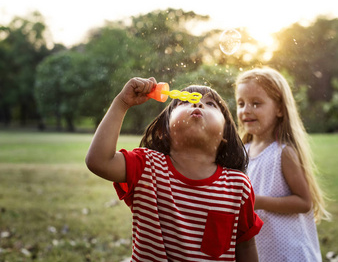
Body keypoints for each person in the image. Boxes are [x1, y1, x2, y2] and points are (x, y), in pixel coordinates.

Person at [86, 77, 263, 262]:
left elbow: (246, 245)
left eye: (210, 103)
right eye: (184, 101)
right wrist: (122, 103)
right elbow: (99, 161)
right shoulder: (147, 167)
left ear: (225, 133)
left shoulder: (237, 186)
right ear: (164, 130)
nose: (197, 103)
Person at [235, 67, 331, 262]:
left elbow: (304, 203)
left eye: (256, 103)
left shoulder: (282, 153)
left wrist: (257, 201)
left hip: (289, 252)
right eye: (241, 103)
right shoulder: (241, 152)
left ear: (279, 108)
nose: (246, 110)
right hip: (261, 249)